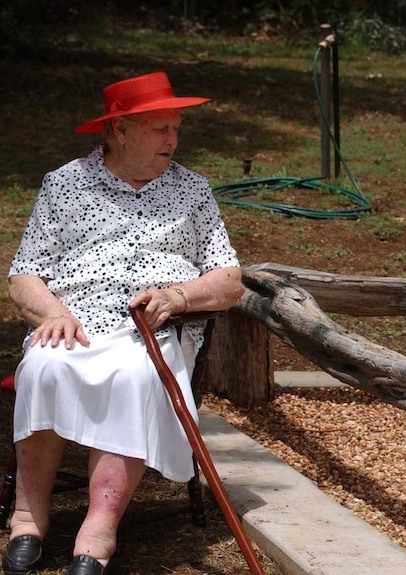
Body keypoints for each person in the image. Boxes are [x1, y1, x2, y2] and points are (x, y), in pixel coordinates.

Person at [2, 72, 244, 575]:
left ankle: (98, 530)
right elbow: (25, 274)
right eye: (159, 128)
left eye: (175, 127)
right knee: (43, 368)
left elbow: (229, 279)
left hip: (153, 332)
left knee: (134, 377)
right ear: (120, 130)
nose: (172, 139)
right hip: (74, 322)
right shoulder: (65, 184)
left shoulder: (193, 190)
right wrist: (53, 312)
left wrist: (180, 295)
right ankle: (28, 517)